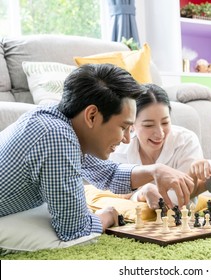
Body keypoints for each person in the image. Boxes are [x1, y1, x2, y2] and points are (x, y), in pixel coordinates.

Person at [0, 64, 194, 242]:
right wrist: (109, 215)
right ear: (92, 115)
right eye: (123, 127)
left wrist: (155, 171)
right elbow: (74, 229)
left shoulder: (61, 124)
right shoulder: (56, 137)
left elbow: (108, 174)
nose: (127, 139)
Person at [109, 83, 203, 209]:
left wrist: (143, 192)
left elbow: (183, 195)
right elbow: (118, 194)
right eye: (148, 125)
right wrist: (142, 194)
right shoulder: (120, 148)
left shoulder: (186, 141)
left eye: (165, 122)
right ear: (132, 124)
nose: (160, 133)